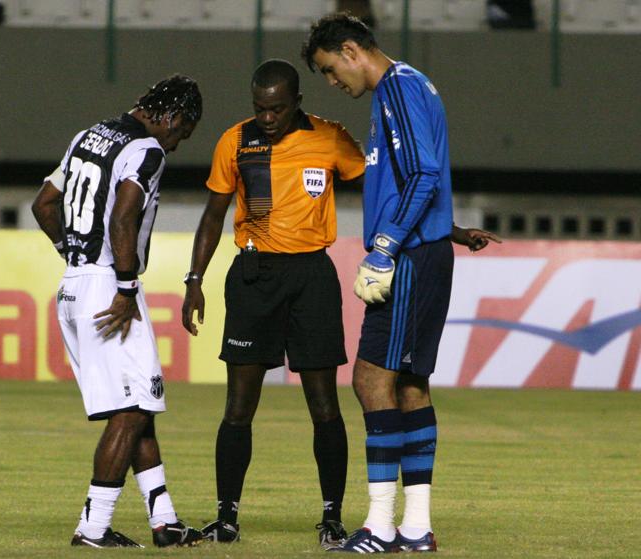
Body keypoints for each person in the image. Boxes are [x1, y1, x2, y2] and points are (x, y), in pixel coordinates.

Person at [302, 13, 499, 553]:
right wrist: (448, 231)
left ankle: (379, 524)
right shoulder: (412, 84)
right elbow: (424, 175)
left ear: (350, 50)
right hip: (426, 249)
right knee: (410, 384)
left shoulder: (395, 89)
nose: (332, 83)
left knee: (370, 378)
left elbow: (423, 174)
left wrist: (386, 246)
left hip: (409, 255)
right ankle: (414, 527)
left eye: (329, 70)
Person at [181, 58, 365, 550]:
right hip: (254, 276)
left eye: (277, 109)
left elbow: (375, 187)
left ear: (297, 102)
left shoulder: (330, 138)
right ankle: (226, 517)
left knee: (325, 405)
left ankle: (332, 517)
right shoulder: (235, 141)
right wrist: (194, 279)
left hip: (312, 276)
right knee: (239, 407)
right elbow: (213, 214)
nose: (266, 117)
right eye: (259, 108)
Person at [31, 75, 204, 549]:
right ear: (170, 117)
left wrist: (76, 252)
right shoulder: (146, 150)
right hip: (110, 288)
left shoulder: (88, 135)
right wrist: (124, 288)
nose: (177, 142)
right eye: (181, 132)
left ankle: (164, 521)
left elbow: (44, 203)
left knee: (139, 406)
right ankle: (93, 527)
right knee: (128, 413)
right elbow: (123, 217)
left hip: (75, 283)